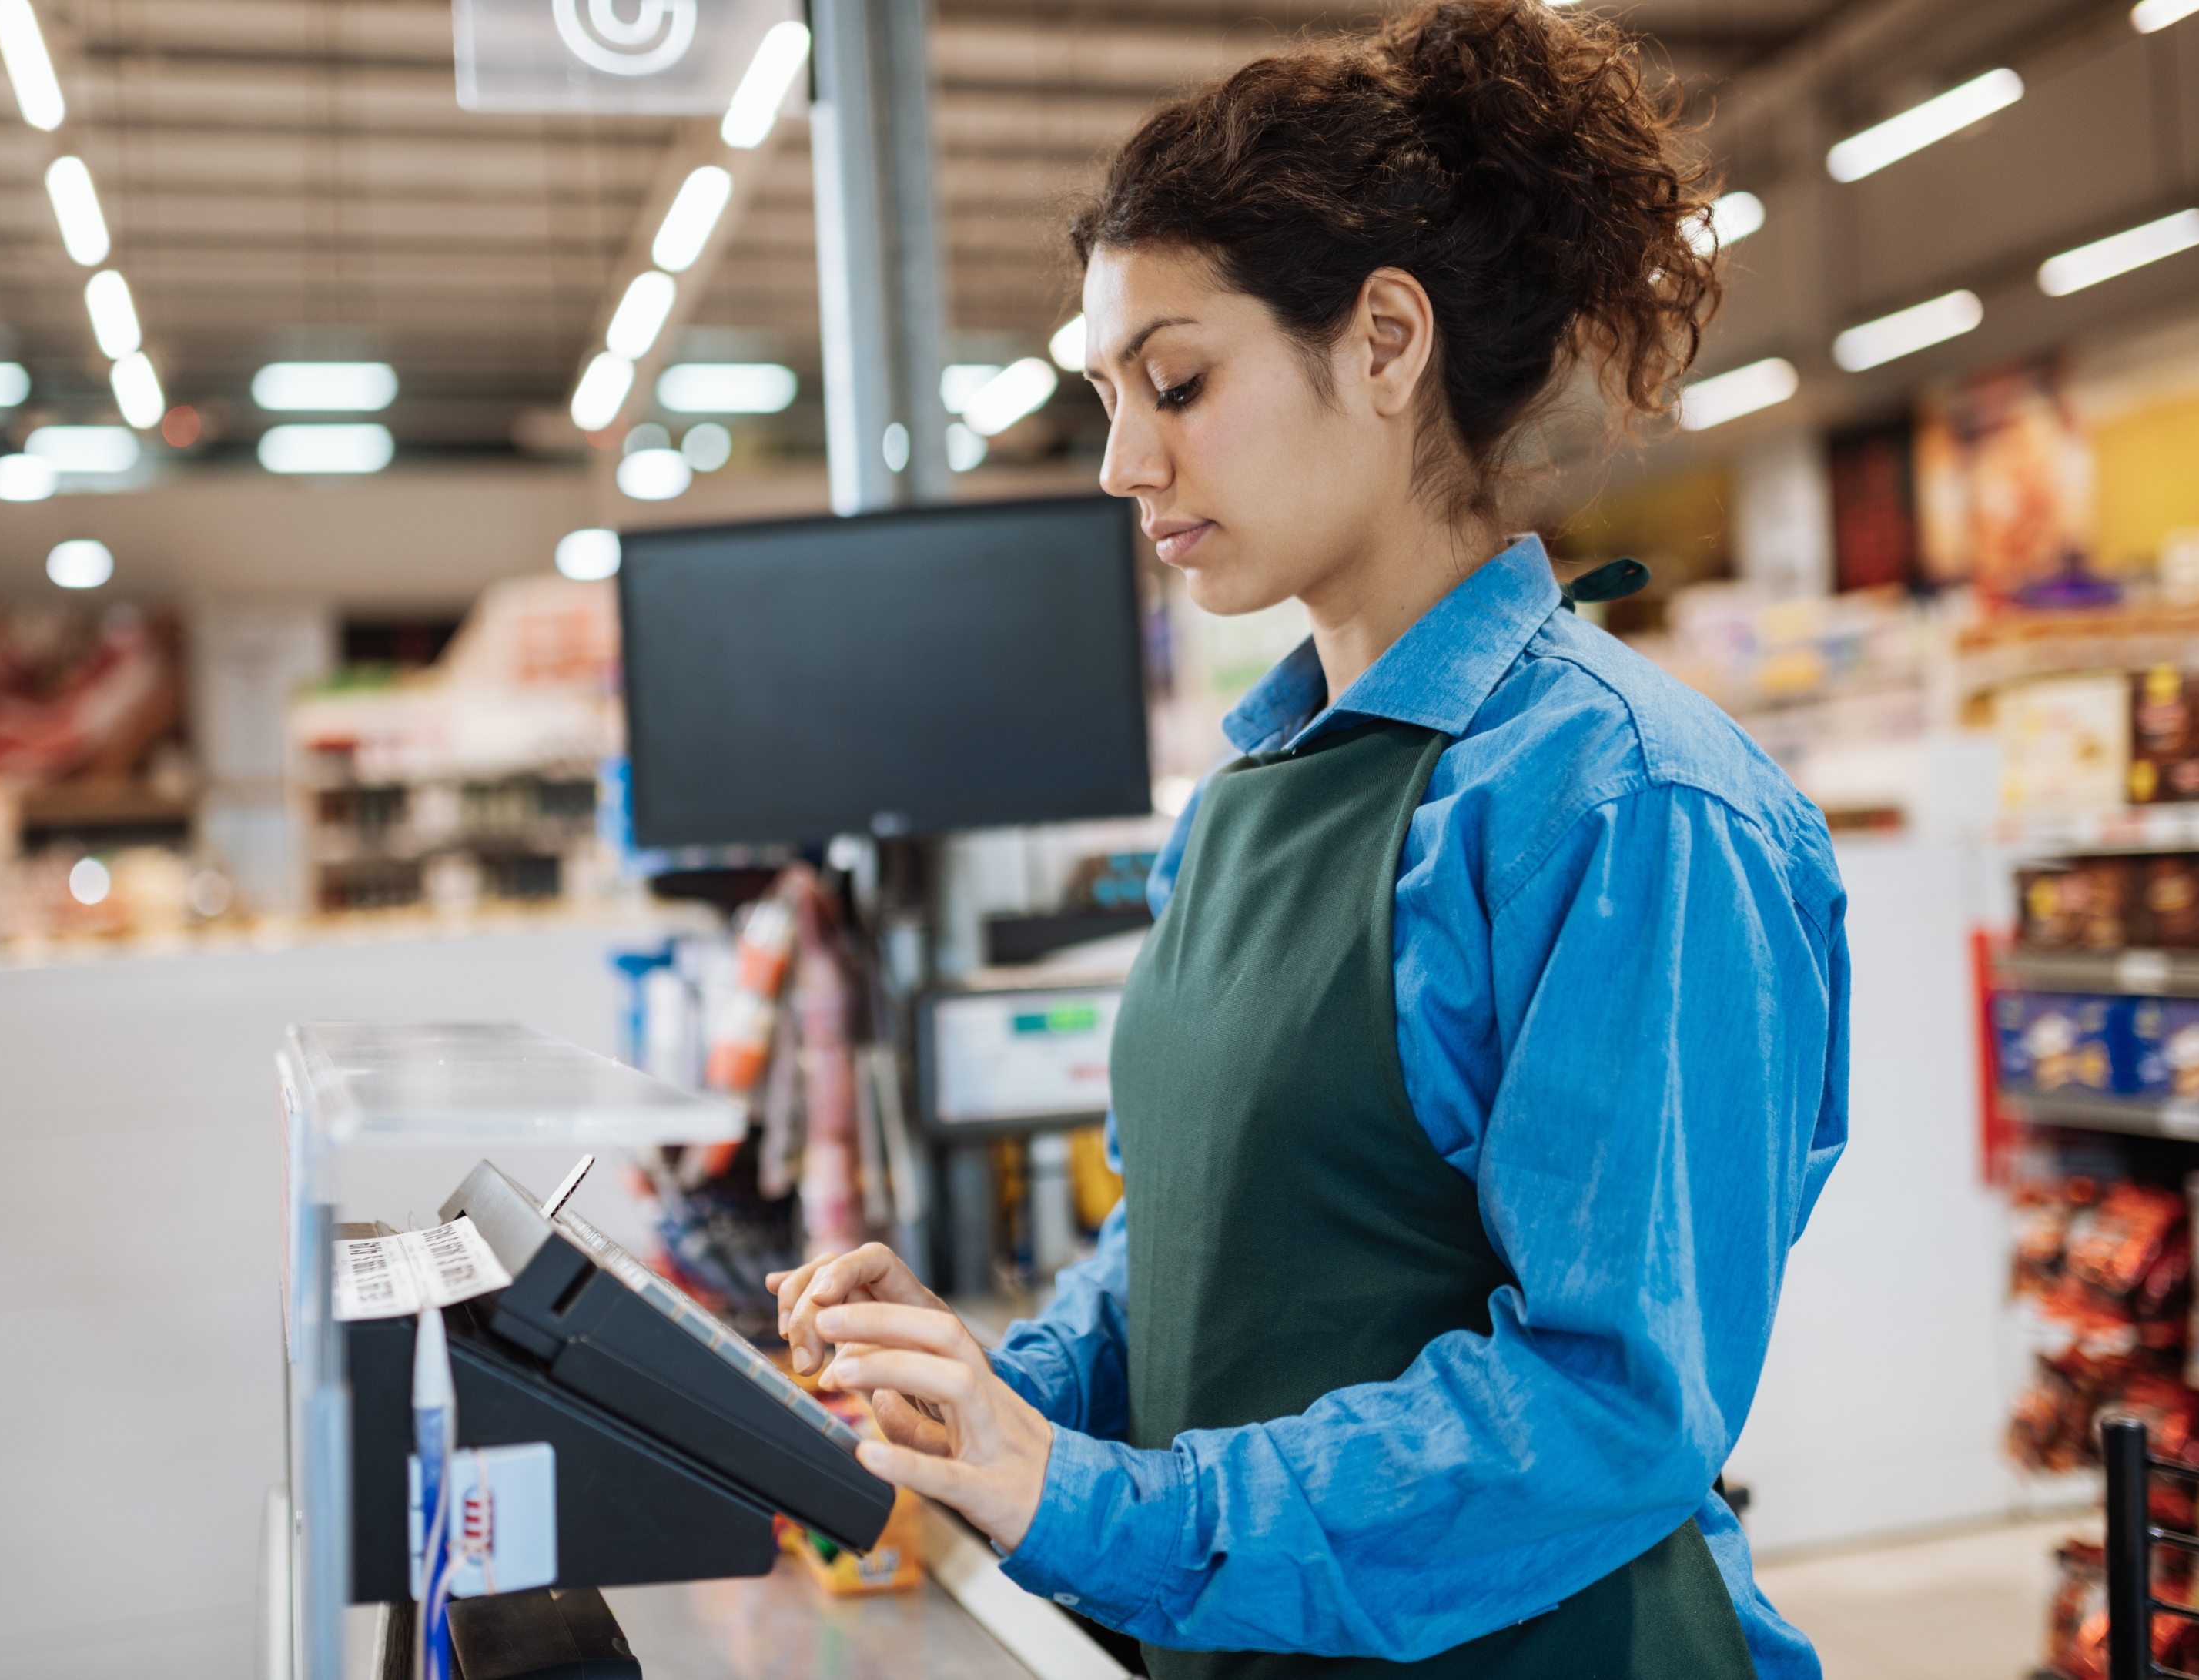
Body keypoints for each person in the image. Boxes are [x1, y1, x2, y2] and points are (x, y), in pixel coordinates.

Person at [767, 2, 1847, 1675]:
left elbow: (1610, 1400)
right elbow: (1194, 1242)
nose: (1126, 460)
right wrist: (997, 1390)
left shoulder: (1628, 805)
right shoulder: (1252, 793)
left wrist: (1102, 1505)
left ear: (1384, 342)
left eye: (1177, 382)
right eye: (1109, 397)